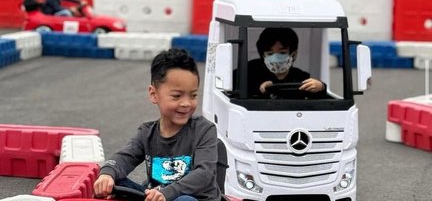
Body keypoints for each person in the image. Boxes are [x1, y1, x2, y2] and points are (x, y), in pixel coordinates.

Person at [93, 48, 221, 201]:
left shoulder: (204, 130)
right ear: (154, 94)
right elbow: (124, 157)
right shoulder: (146, 133)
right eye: (177, 96)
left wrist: (167, 193)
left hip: (195, 198)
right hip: (157, 197)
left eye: (193, 95)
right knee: (115, 184)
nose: (186, 103)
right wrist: (108, 173)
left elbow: (204, 174)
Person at [246, 27, 327, 98]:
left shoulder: (301, 77)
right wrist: (261, 89)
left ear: (294, 54)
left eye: (282, 53)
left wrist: (321, 87)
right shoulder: (249, 71)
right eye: (270, 54)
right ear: (263, 55)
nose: (275, 58)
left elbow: (319, 99)